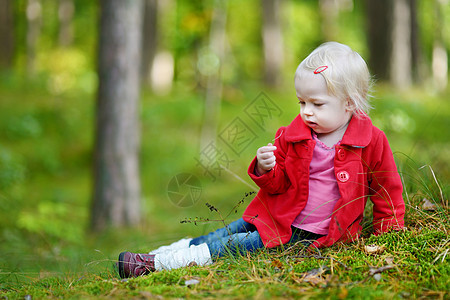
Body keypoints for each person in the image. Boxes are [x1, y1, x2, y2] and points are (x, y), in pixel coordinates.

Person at [117, 41, 405, 278]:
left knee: (237, 244)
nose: (306, 112)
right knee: (227, 230)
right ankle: (163, 253)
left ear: (350, 103)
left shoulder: (370, 140)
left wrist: (388, 232)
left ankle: (156, 266)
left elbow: (386, 188)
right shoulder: (293, 135)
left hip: (306, 233)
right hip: (275, 214)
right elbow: (277, 185)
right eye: (302, 102)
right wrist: (265, 167)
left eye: (317, 104)